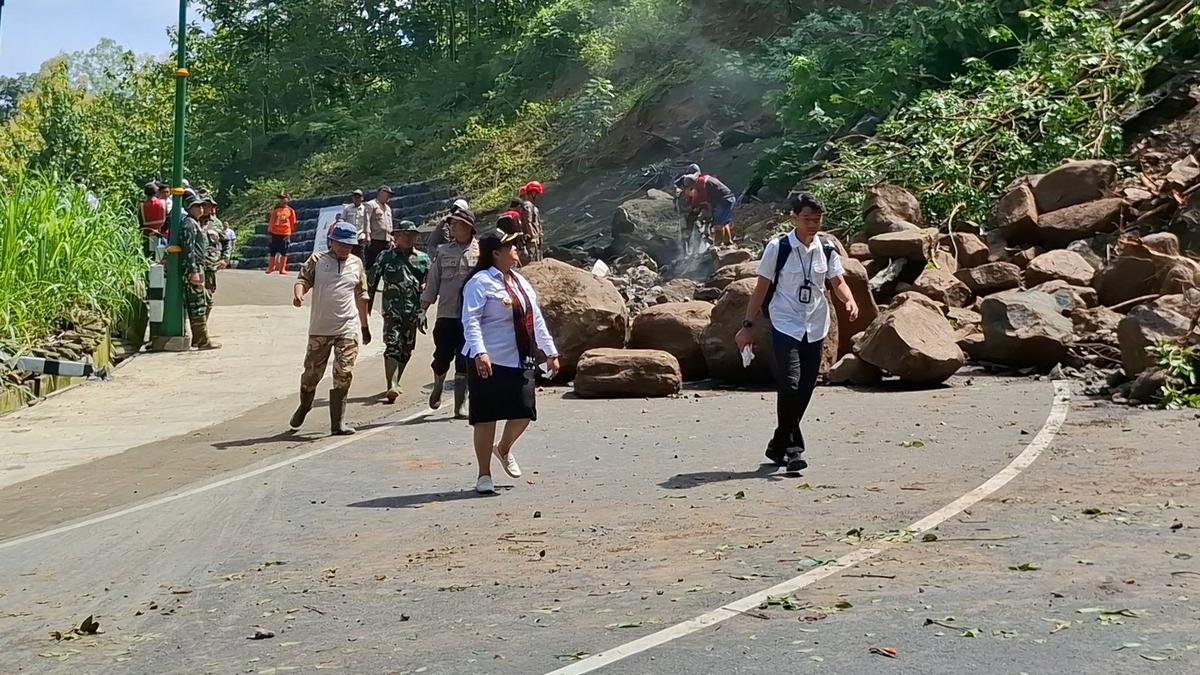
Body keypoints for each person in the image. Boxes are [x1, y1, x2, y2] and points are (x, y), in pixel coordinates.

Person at [735, 193, 859, 473]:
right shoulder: (778, 248)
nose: (813, 225)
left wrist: (849, 299)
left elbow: (837, 281)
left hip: (816, 325)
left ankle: (778, 443)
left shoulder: (826, 248)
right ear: (794, 218)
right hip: (785, 322)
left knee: (806, 387)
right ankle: (793, 450)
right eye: (807, 219)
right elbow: (761, 289)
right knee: (790, 383)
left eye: (817, 220)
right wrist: (747, 326)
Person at [460, 232, 560, 494]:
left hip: (519, 356)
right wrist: (480, 352)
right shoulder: (479, 283)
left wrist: (551, 352)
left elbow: (536, 319)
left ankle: (503, 448)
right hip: (488, 358)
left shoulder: (520, 282)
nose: (515, 248)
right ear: (495, 252)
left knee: (524, 411)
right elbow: (470, 321)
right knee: (486, 417)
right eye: (510, 245)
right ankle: (484, 474)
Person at [289, 222, 373, 436]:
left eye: (350, 245)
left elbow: (362, 296)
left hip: (347, 326)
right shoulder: (318, 260)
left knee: (344, 372)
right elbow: (302, 279)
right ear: (332, 242)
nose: (346, 249)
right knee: (311, 374)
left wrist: (364, 327)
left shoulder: (356, 263)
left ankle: (338, 423)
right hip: (320, 328)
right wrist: (299, 294)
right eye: (342, 244)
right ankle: (305, 404)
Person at [420, 208, 479, 417]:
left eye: (457, 223)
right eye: (451, 223)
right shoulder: (444, 251)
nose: (452, 227)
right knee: (442, 357)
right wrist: (423, 309)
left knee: (465, 360)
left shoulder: (480, 252)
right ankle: (438, 385)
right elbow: (433, 281)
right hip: (446, 314)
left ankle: (459, 406)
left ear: (469, 227)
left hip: (471, 317)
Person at [367, 220, 430, 403]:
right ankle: (391, 384)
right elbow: (371, 282)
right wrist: (366, 309)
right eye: (404, 234)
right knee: (392, 344)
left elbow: (430, 286)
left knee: (407, 348)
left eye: (411, 235)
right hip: (392, 310)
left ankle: (397, 379)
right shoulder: (385, 257)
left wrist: (423, 310)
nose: (408, 238)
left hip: (413, 311)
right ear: (396, 236)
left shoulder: (423, 259)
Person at [180, 194, 220, 350]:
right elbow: (188, 249)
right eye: (197, 206)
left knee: (203, 302)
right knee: (197, 305)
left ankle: (200, 338)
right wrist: (193, 270)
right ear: (190, 208)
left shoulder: (194, 223)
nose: (201, 208)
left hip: (199, 266)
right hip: (193, 267)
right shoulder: (189, 224)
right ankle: (202, 340)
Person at [680, 173, 737, 247]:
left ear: (691, 185)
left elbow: (701, 200)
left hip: (724, 200)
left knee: (718, 225)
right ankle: (728, 242)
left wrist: (694, 207)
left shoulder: (701, 186)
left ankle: (717, 246)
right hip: (728, 199)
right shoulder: (703, 180)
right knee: (723, 223)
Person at [199, 196, 231, 315]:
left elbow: (226, 242)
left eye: (210, 206)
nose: (207, 208)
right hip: (193, 264)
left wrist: (225, 259)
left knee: (207, 298)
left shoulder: (216, 223)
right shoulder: (191, 221)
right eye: (204, 205)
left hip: (209, 265)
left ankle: (202, 326)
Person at [364, 185, 395, 269]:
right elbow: (366, 220)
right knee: (372, 263)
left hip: (386, 240)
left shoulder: (388, 208)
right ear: (381, 193)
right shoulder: (371, 204)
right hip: (375, 239)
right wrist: (367, 235)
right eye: (387, 194)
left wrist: (392, 237)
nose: (389, 196)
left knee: (386, 263)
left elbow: (390, 223)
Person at [267, 192, 297, 275]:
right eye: (280, 198)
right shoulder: (276, 210)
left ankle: (282, 269)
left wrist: (290, 232)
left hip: (285, 233)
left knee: (284, 252)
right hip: (275, 233)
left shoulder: (290, 210)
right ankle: (271, 268)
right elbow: (272, 221)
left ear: (287, 199)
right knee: (273, 251)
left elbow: (292, 222)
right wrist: (270, 231)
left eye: (284, 198)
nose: (282, 200)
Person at [517, 181, 545, 264]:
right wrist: (533, 236)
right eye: (537, 193)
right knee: (531, 261)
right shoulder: (528, 205)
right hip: (531, 240)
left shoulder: (531, 206)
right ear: (533, 193)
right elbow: (528, 221)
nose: (538, 196)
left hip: (534, 239)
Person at [139, 182, 168, 258]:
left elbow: (141, 223)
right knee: (161, 258)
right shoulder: (163, 203)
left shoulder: (141, 206)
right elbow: (168, 218)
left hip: (148, 236)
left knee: (150, 258)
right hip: (162, 235)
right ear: (156, 191)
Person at [341, 188, 368, 259]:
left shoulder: (365, 209)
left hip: (360, 236)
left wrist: (367, 235)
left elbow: (367, 222)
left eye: (358, 197)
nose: (356, 199)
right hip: (349, 236)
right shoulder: (347, 208)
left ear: (362, 198)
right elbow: (342, 219)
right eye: (354, 197)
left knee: (361, 256)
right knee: (349, 255)